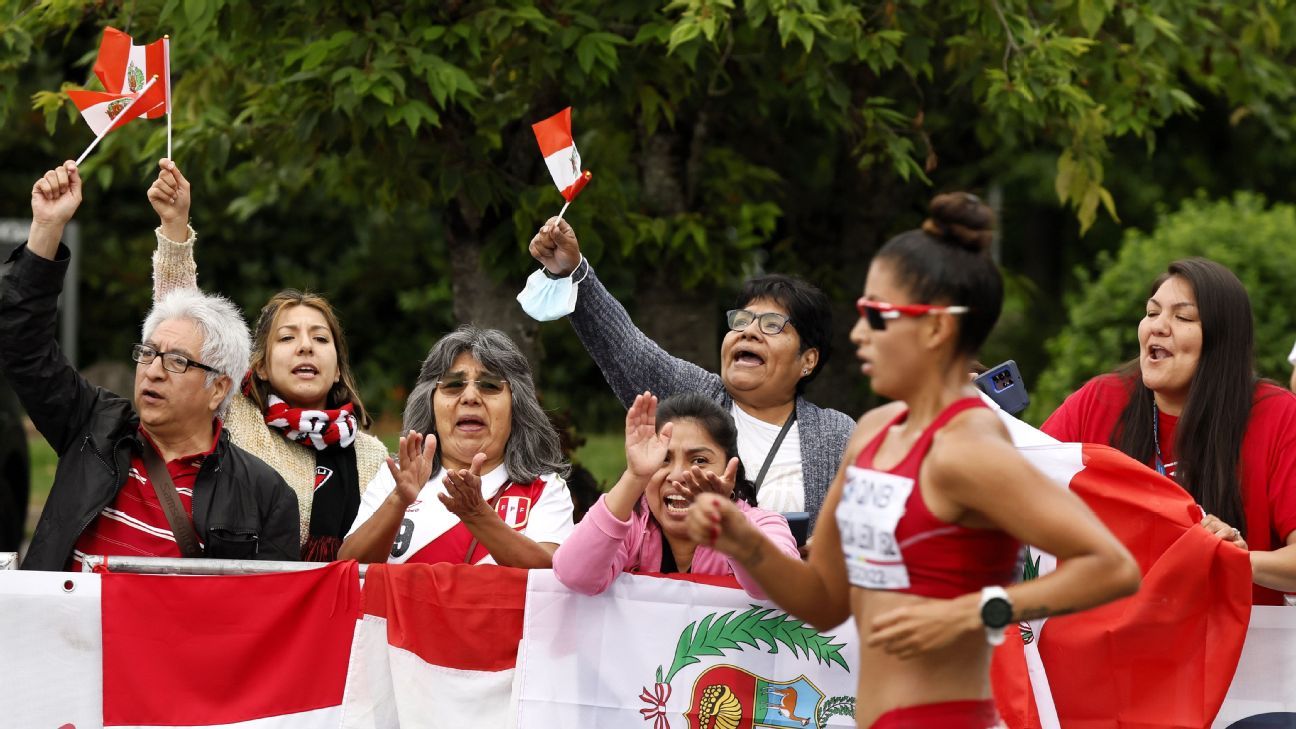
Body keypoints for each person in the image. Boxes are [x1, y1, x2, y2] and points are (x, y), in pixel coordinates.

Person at [685, 193, 1140, 728]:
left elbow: (1112, 567)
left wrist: (977, 610)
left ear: (935, 328)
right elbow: (826, 600)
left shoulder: (968, 446)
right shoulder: (872, 433)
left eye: (877, 316)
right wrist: (742, 540)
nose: (857, 335)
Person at [6, 162, 299, 571]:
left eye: (177, 360)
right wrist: (46, 229)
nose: (153, 371)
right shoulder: (94, 426)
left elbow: (265, 616)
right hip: (66, 633)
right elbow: (22, 345)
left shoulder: (265, 495)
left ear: (218, 388)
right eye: (148, 353)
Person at [528, 220, 853, 529]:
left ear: (808, 360)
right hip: (688, 586)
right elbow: (625, 347)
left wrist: (823, 551)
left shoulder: (835, 435)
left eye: (771, 325)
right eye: (741, 321)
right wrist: (574, 271)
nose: (749, 333)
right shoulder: (695, 398)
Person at [149, 159, 388, 561]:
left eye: (320, 338)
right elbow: (179, 325)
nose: (306, 347)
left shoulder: (373, 457)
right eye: (287, 337)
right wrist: (175, 227)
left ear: (337, 366)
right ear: (258, 365)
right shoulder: (234, 416)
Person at [1043, 257, 1296, 605]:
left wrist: (1234, 559)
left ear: (1223, 340)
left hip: (1243, 647)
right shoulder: (1100, 400)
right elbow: (1012, 486)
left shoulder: (1278, 414)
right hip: (1118, 638)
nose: (1158, 327)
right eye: (1151, 313)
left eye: (1183, 317)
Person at [339, 326, 575, 566]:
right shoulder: (394, 480)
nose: (470, 396)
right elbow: (347, 568)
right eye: (453, 385)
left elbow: (552, 575)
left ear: (517, 406)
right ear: (429, 405)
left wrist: (477, 515)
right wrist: (399, 499)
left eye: (490, 385)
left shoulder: (544, 489)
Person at [553, 392, 799, 598]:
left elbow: (783, 587)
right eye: (663, 459)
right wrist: (635, 476)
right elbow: (574, 576)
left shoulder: (764, 525)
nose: (678, 474)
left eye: (699, 460)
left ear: (729, 469)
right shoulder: (629, 530)